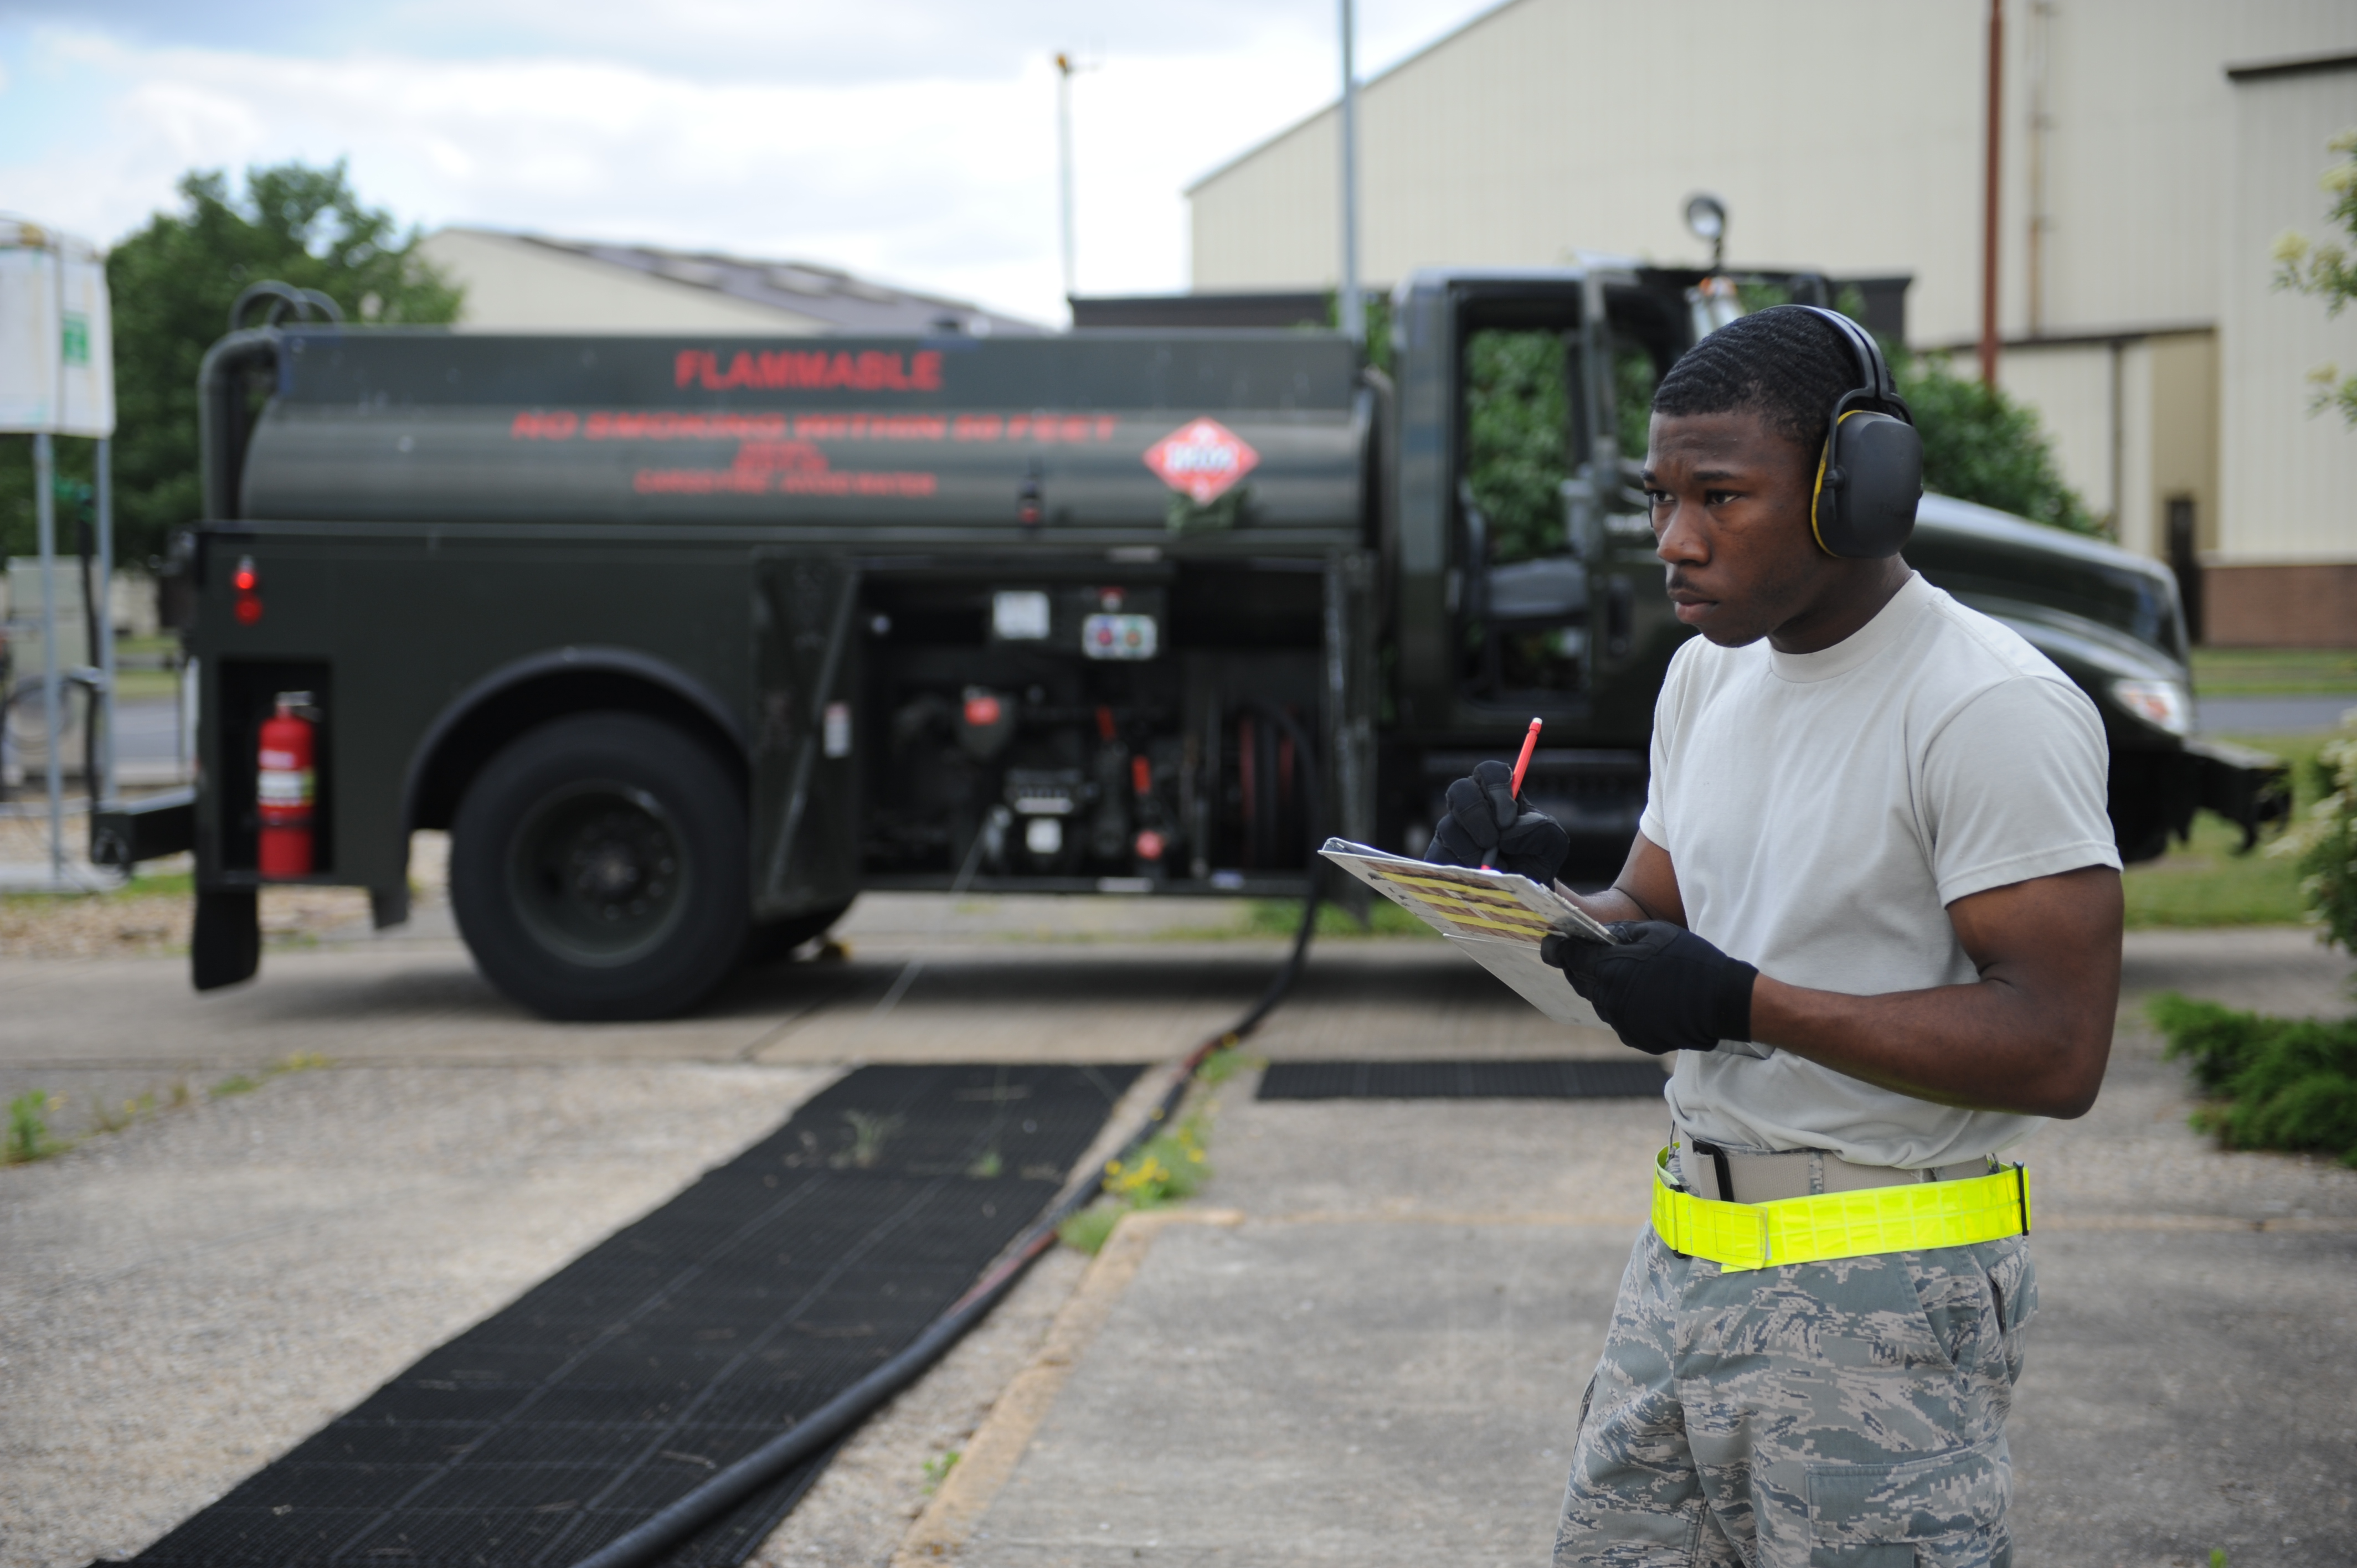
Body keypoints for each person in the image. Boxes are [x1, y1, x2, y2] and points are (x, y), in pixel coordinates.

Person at [1427, 305, 2122, 1567]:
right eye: (1658, 500)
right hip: (1682, 1268)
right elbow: (1652, 915)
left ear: (1855, 492)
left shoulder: (1986, 707)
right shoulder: (1709, 673)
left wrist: (1747, 1004)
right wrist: (1522, 895)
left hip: (1884, 1304)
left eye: (1720, 498)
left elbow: (2056, 1047)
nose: (1673, 542)